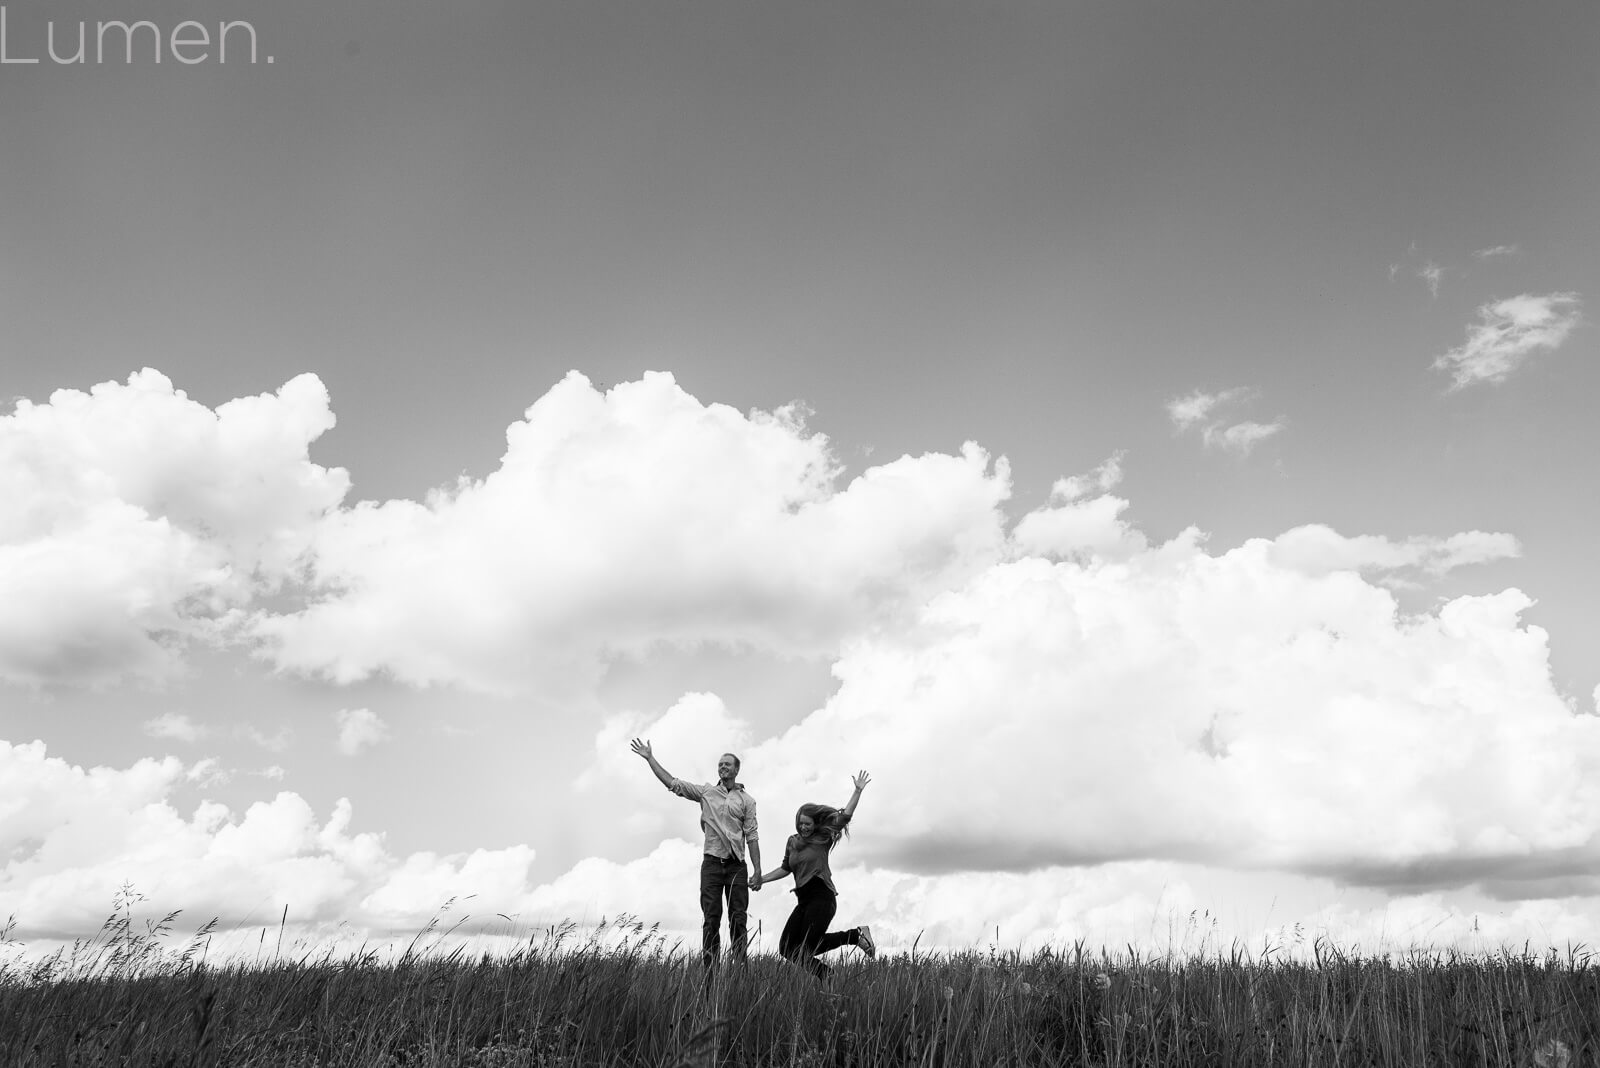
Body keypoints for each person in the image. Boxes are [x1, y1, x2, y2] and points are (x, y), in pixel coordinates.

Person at [630, 738, 762, 966]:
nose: (722, 767)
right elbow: (674, 784)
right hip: (711, 864)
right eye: (720, 764)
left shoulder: (747, 801)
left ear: (737, 770)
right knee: (711, 920)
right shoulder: (707, 792)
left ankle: (741, 975)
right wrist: (650, 759)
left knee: (738, 920)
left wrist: (758, 870)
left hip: (736, 866)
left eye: (727, 764)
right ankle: (710, 976)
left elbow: (752, 835)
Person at [755, 770, 875, 979]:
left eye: (808, 824)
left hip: (821, 897)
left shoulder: (823, 837)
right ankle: (827, 976)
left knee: (808, 947)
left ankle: (856, 935)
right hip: (803, 900)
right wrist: (762, 879)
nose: (803, 827)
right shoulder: (792, 841)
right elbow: (786, 868)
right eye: (801, 823)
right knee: (787, 948)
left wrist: (857, 791)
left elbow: (845, 815)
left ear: (816, 824)